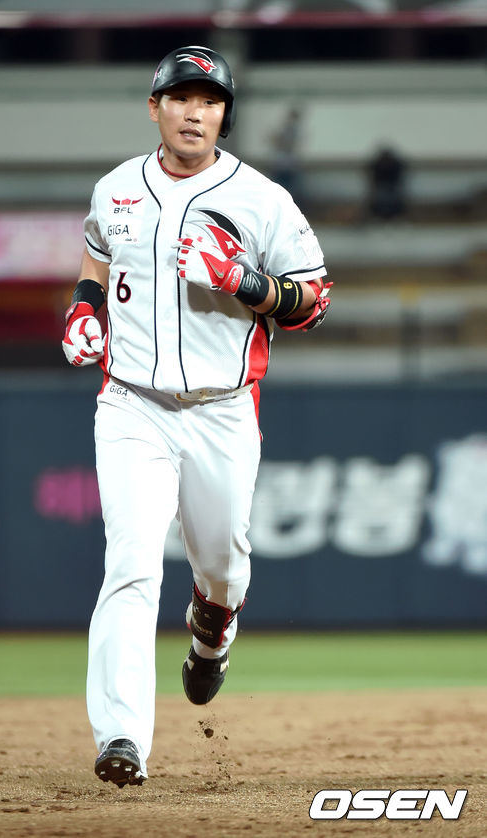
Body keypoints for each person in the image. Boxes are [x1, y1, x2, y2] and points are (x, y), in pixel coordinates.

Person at [62, 45, 331, 789]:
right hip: (131, 404)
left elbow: (313, 302)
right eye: (181, 97)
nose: (194, 112)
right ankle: (121, 737)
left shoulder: (262, 199)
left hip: (221, 410)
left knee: (223, 564)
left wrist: (245, 282)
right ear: (155, 107)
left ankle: (212, 630)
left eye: (210, 101)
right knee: (130, 563)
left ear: (224, 116)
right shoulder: (116, 189)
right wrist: (84, 308)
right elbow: (95, 257)